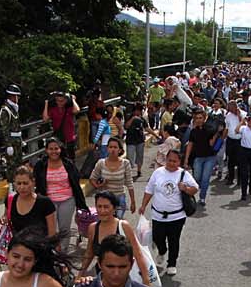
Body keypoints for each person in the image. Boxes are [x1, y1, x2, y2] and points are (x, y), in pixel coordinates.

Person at [140, 147, 199, 276]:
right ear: (166, 160)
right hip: (158, 215)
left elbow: (195, 189)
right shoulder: (158, 173)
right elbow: (149, 189)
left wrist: (185, 188)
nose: (172, 163)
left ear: (179, 162)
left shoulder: (184, 174)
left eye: (175, 161)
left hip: (177, 216)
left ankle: (172, 263)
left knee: (174, 240)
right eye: (169, 160)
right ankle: (162, 250)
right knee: (157, 237)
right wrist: (143, 205)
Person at [34, 136, 88, 248]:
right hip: (49, 201)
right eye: (51, 149)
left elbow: (75, 182)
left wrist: (80, 203)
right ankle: (54, 252)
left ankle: (63, 253)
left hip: (67, 200)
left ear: (60, 149)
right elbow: (37, 184)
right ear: (46, 150)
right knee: (53, 229)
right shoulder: (40, 165)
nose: (54, 151)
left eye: (56, 148)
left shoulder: (68, 163)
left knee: (64, 228)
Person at [78, 191, 148, 277]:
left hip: (124, 278)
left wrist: (146, 279)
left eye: (106, 207)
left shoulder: (124, 226)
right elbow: (89, 254)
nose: (102, 210)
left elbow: (138, 254)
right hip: (102, 278)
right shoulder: (93, 228)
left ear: (114, 209)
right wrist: (79, 275)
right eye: (99, 206)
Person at [5, 165, 58, 238]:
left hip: (41, 247)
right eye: (19, 183)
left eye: (25, 183)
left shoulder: (45, 203)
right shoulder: (10, 200)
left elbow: (52, 234)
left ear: (33, 183)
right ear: (14, 184)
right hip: (18, 247)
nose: (22, 187)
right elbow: (6, 218)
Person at [182, 108, 220, 207]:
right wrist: (186, 159)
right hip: (198, 157)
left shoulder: (209, 129)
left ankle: (202, 197)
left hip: (210, 157)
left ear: (204, 118)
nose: (198, 120)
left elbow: (214, 137)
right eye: (197, 118)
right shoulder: (193, 131)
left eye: (200, 118)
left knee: (205, 178)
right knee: (197, 177)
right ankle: (197, 189)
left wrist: (215, 137)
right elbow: (190, 145)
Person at [90, 136, 137, 216]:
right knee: (105, 224)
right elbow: (92, 178)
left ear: (120, 150)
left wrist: (133, 202)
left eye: (115, 147)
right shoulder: (101, 163)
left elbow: (129, 183)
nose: (113, 149)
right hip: (104, 199)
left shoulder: (125, 163)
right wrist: (99, 186)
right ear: (107, 149)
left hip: (119, 197)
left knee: (117, 223)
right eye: (110, 147)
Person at [0, 84, 22, 172]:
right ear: (13, 96)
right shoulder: (6, 110)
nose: (17, 99)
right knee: (11, 165)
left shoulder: (14, 108)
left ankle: (17, 183)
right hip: (11, 141)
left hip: (17, 140)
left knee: (18, 164)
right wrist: (8, 145)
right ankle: (11, 184)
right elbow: (5, 128)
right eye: (17, 96)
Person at [124, 103, 148, 182]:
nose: (138, 112)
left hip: (140, 140)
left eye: (140, 111)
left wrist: (155, 135)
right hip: (131, 140)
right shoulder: (129, 117)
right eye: (137, 111)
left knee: (139, 156)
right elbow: (126, 126)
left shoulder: (142, 119)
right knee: (130, 157)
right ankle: (129, 173)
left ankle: (139, 170)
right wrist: (133, 118)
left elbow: (147, 128)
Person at [223, 99, 243, 186]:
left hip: (239, 141)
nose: (229, 109)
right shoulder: (228, 115)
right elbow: (227, 128)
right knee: (230, 160)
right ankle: (230, 178)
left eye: (231, 107)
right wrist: (223, 137)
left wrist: (239, 116)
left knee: (240, 161)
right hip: (230, 140)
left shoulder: (243, 114)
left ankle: (239, 180)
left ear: (235, 106)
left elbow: (245, 125)